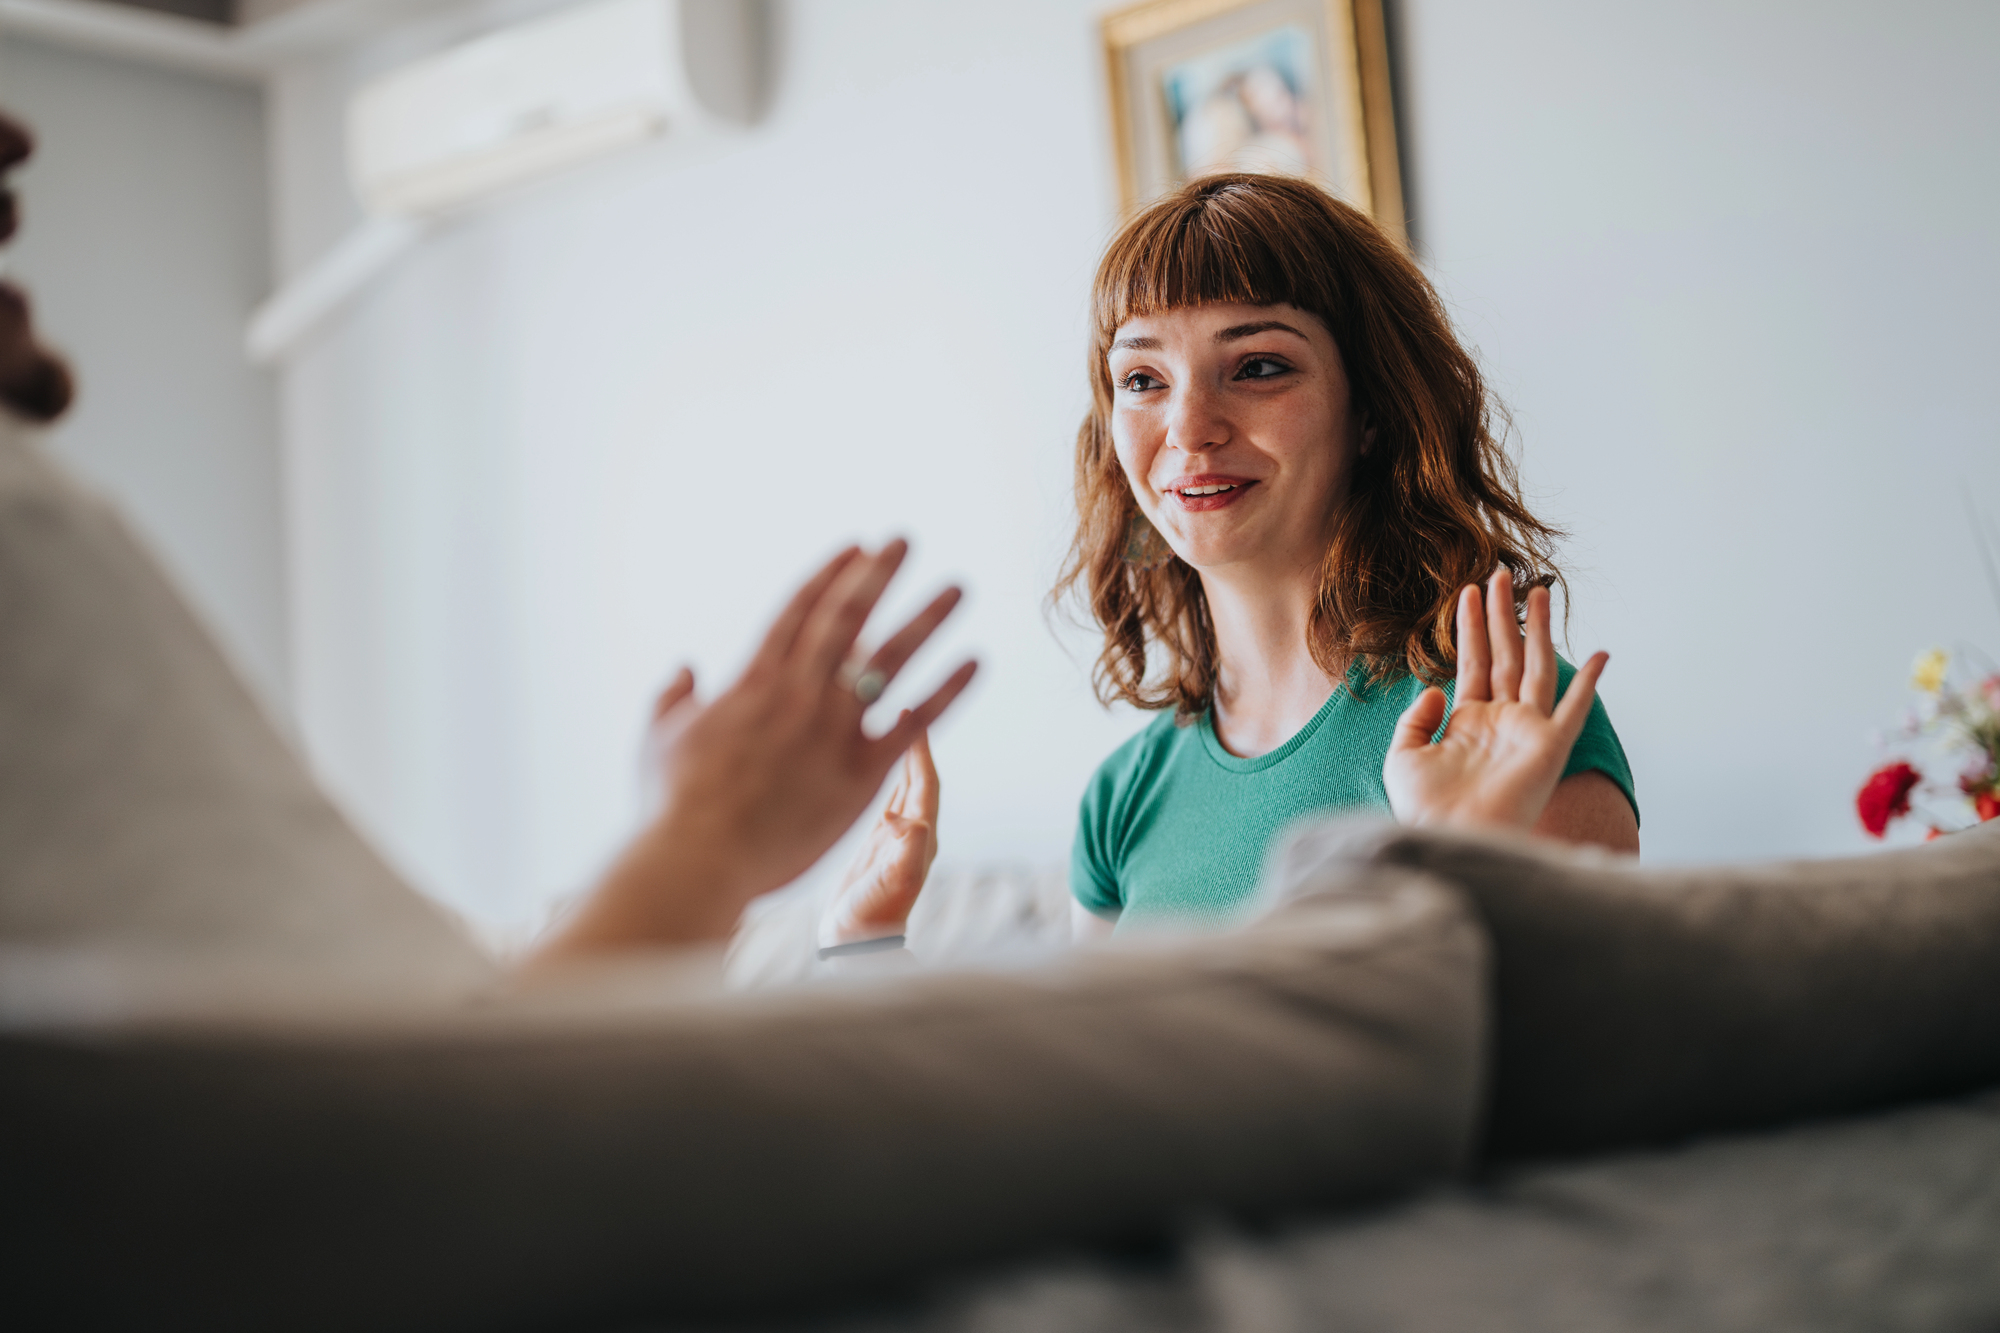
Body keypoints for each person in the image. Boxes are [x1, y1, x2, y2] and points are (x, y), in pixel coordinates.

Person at [822, 172, 1639, 950]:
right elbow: (1104, 1094)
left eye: (1256, 367)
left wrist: (1468, 866)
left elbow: (1588, 1077)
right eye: (1142, 378)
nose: (1188, 427)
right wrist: (864, 948)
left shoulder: (1506, 720)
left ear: (1373, 413)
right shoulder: (1122, 798)